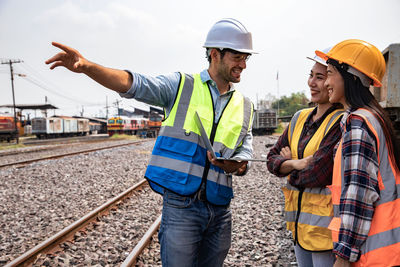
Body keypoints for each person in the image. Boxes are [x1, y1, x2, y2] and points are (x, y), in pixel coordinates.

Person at [45, 18, 256, 267]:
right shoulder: (182, 85)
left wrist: (237, 165)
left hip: (221, 209)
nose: (243, 64)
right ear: (214, 54)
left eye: (246, 58)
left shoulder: (245, 105)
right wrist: (88, 67)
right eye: (237, 57)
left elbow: (245, 153)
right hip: (182, 206)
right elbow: (133, 83)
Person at [315, 39, 400, 266]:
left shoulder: (359, 123)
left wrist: (344, 255)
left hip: (371, 254)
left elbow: (359, 193)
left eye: (330, 74)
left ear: (351, 77)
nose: (326, 83)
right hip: (386, 250)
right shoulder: (374, 117)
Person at [267, 48, 344, 267]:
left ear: (333, 81)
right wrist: (295, 163)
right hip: (299, 226)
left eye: (320, 77)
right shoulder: (299, 117)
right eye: (311, 75)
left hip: (325, 232)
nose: (312, 82)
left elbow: (316, 175)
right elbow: (271, 159)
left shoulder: (340, 121)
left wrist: (287, 169)